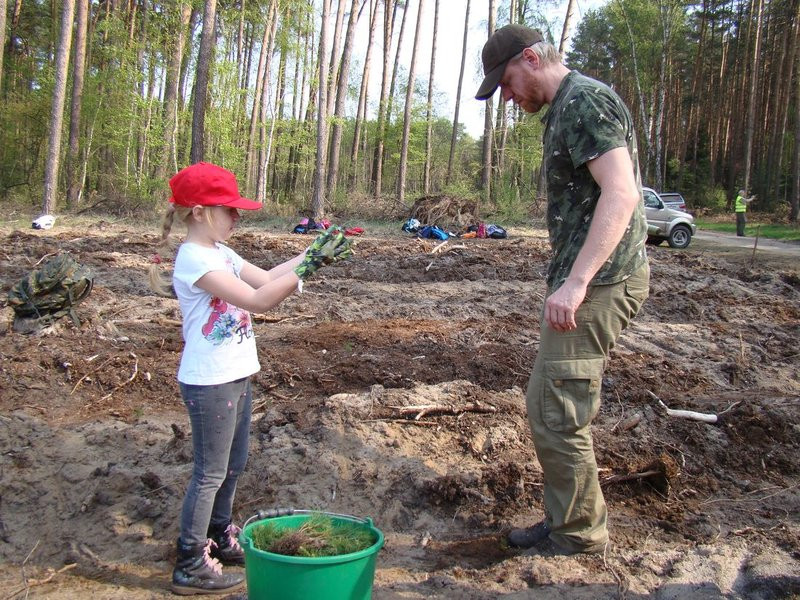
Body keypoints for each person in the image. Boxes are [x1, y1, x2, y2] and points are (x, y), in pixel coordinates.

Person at [476, 25, 650, 555]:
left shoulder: (586, 102)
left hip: (600, 282)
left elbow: (620, 194)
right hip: (591, 280)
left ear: (530, 58)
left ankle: (578, 534)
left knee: (556, 408)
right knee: (550, 402)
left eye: (505, 82)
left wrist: (576, 282)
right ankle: (568, 518)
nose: (506, 97)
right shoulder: (567, 107)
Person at [149, 162, 351, 595]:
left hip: (236, 374)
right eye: (230, 209)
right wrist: (309, 268)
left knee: (234, 464)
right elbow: (259, 301)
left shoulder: (222, 252)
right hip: (210, 382)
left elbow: (266, 277)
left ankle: (219, 536)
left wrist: (312, 252)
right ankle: (189, 560)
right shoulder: (195, 259)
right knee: (209, 472)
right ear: (200, 212)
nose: (238, 217)